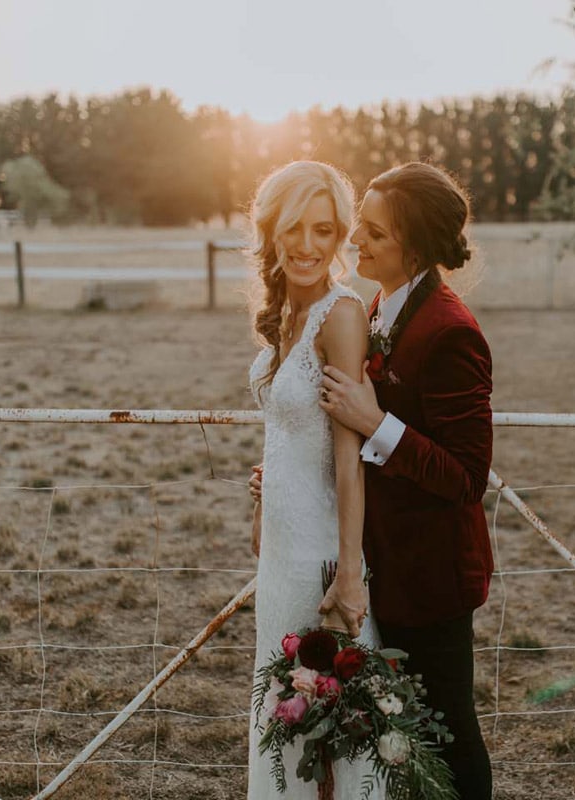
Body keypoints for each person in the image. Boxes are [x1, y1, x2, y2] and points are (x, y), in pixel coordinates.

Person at [318, 162, 495, 799]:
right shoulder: (379, 306)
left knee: (447, 733)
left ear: (415, 248)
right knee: (404, 736)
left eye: (374, 233)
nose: (355, 241)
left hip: (433, 574)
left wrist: (376, 421)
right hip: (384, 563)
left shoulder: (451, 332)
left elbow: (468, 476)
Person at [244, 160, 381, 798]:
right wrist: (266, 490)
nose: (306, 245)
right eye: (293, 228)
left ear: (339, 238)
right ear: (270, 232)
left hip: (320, 558)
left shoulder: (341, 315)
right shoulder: (282, 318)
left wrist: (349, 574)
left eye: (323, 230)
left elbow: (349, 455)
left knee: (334, 740)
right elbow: (290, 431)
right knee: (283, 727)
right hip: (277, 556)